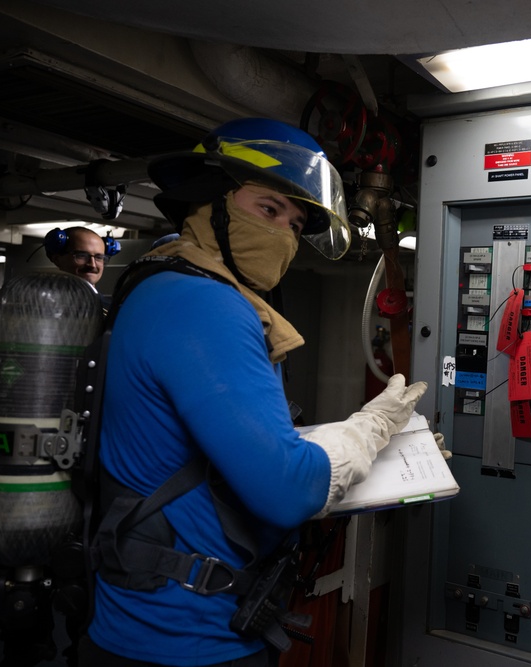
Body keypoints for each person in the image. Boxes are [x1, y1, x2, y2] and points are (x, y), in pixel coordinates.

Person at [77, 117, 428, 666]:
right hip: (185, 640)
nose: (284, 234)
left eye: (295, 222)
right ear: (210, 199)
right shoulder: (204, 305)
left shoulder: (156, 281)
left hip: (145, 620)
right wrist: (371, 428)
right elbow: (288, 491)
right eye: (269, 208)